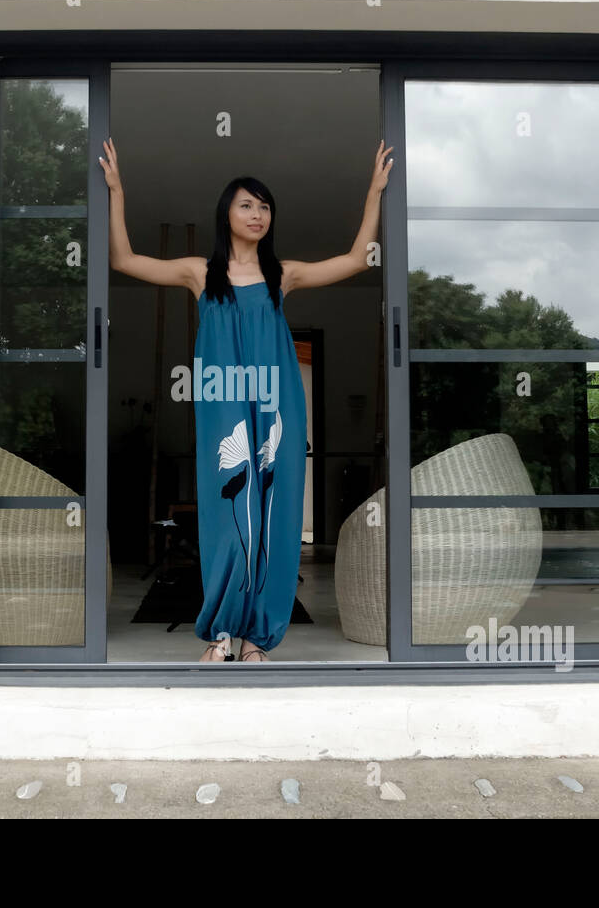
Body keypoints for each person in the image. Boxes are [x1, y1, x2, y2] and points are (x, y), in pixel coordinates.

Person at [100, 137, 393, 663]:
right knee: (229, 517)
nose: (258, 214)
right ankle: (220, 633)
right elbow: (123, 259)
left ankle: (258, 638)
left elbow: (356, 260)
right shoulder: (199, 272)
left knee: (278, 519)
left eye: (264, 207)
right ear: (226, 214)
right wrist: (117, 191)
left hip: (277, 408)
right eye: (246, 204)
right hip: (223, 408)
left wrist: (373, 192)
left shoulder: (282, 275)